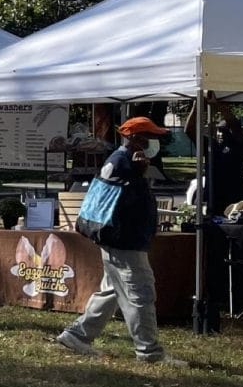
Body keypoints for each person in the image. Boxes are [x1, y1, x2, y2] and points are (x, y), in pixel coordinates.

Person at [57, 116, 183, 364]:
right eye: (152, 137)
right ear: (137, 138)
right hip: (125, 241)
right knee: (140, 294)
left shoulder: (125, 161)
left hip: (121, 240)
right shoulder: (123, 163)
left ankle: (77, 336)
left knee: (112, 291)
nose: (156, 142)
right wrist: (138, 174)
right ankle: (149, 352)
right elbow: (124, 201)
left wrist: (139, 172)